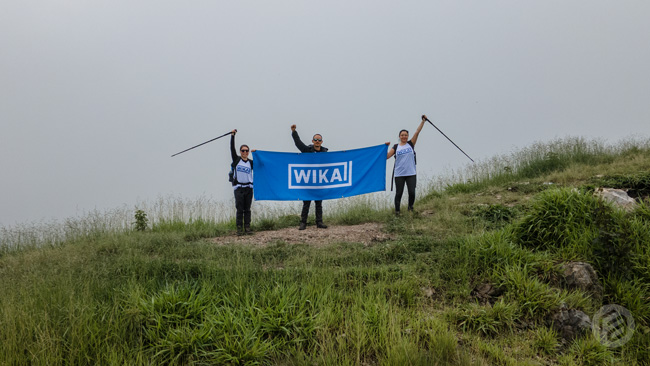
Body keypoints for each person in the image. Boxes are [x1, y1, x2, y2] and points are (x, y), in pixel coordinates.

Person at [386, 115, 427, 215]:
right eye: (402, 135)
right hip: (399, 174)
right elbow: (386, 156)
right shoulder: (396, 147)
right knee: (399, 193)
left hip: (411, 173)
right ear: (399, 136)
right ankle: (397, 211)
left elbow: (417, 132)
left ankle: (410, 209)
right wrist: (385, 147)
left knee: (412, 192)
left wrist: (423, 121)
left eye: (406, 135)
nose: (404, 137)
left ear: (408, 136)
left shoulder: (411, 144)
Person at [290, 124, 328, 230]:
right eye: (315, 139)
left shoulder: (326, 153)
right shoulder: (307, 150)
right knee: (306, 202)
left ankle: (319, 222)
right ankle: (303, 223)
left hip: (319, 182)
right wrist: (294, 132)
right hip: (308, 181)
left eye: (319, 140)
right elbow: (298, 143)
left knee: (318, 203)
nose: (317, 141)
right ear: (312, 141)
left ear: (321, 142)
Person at [230, 129, 254, 235]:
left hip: (249, 187)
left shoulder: (251, 163)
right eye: (243, 151)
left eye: (246, 151)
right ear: (240, 152)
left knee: (247, 209)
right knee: (239, 209)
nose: (245, 152)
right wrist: (232, 136)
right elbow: (231, 148)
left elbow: (262, 164)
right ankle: (239, 228)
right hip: (239, 188)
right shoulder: (237, 160)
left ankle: (247, 227)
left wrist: (257, 153)